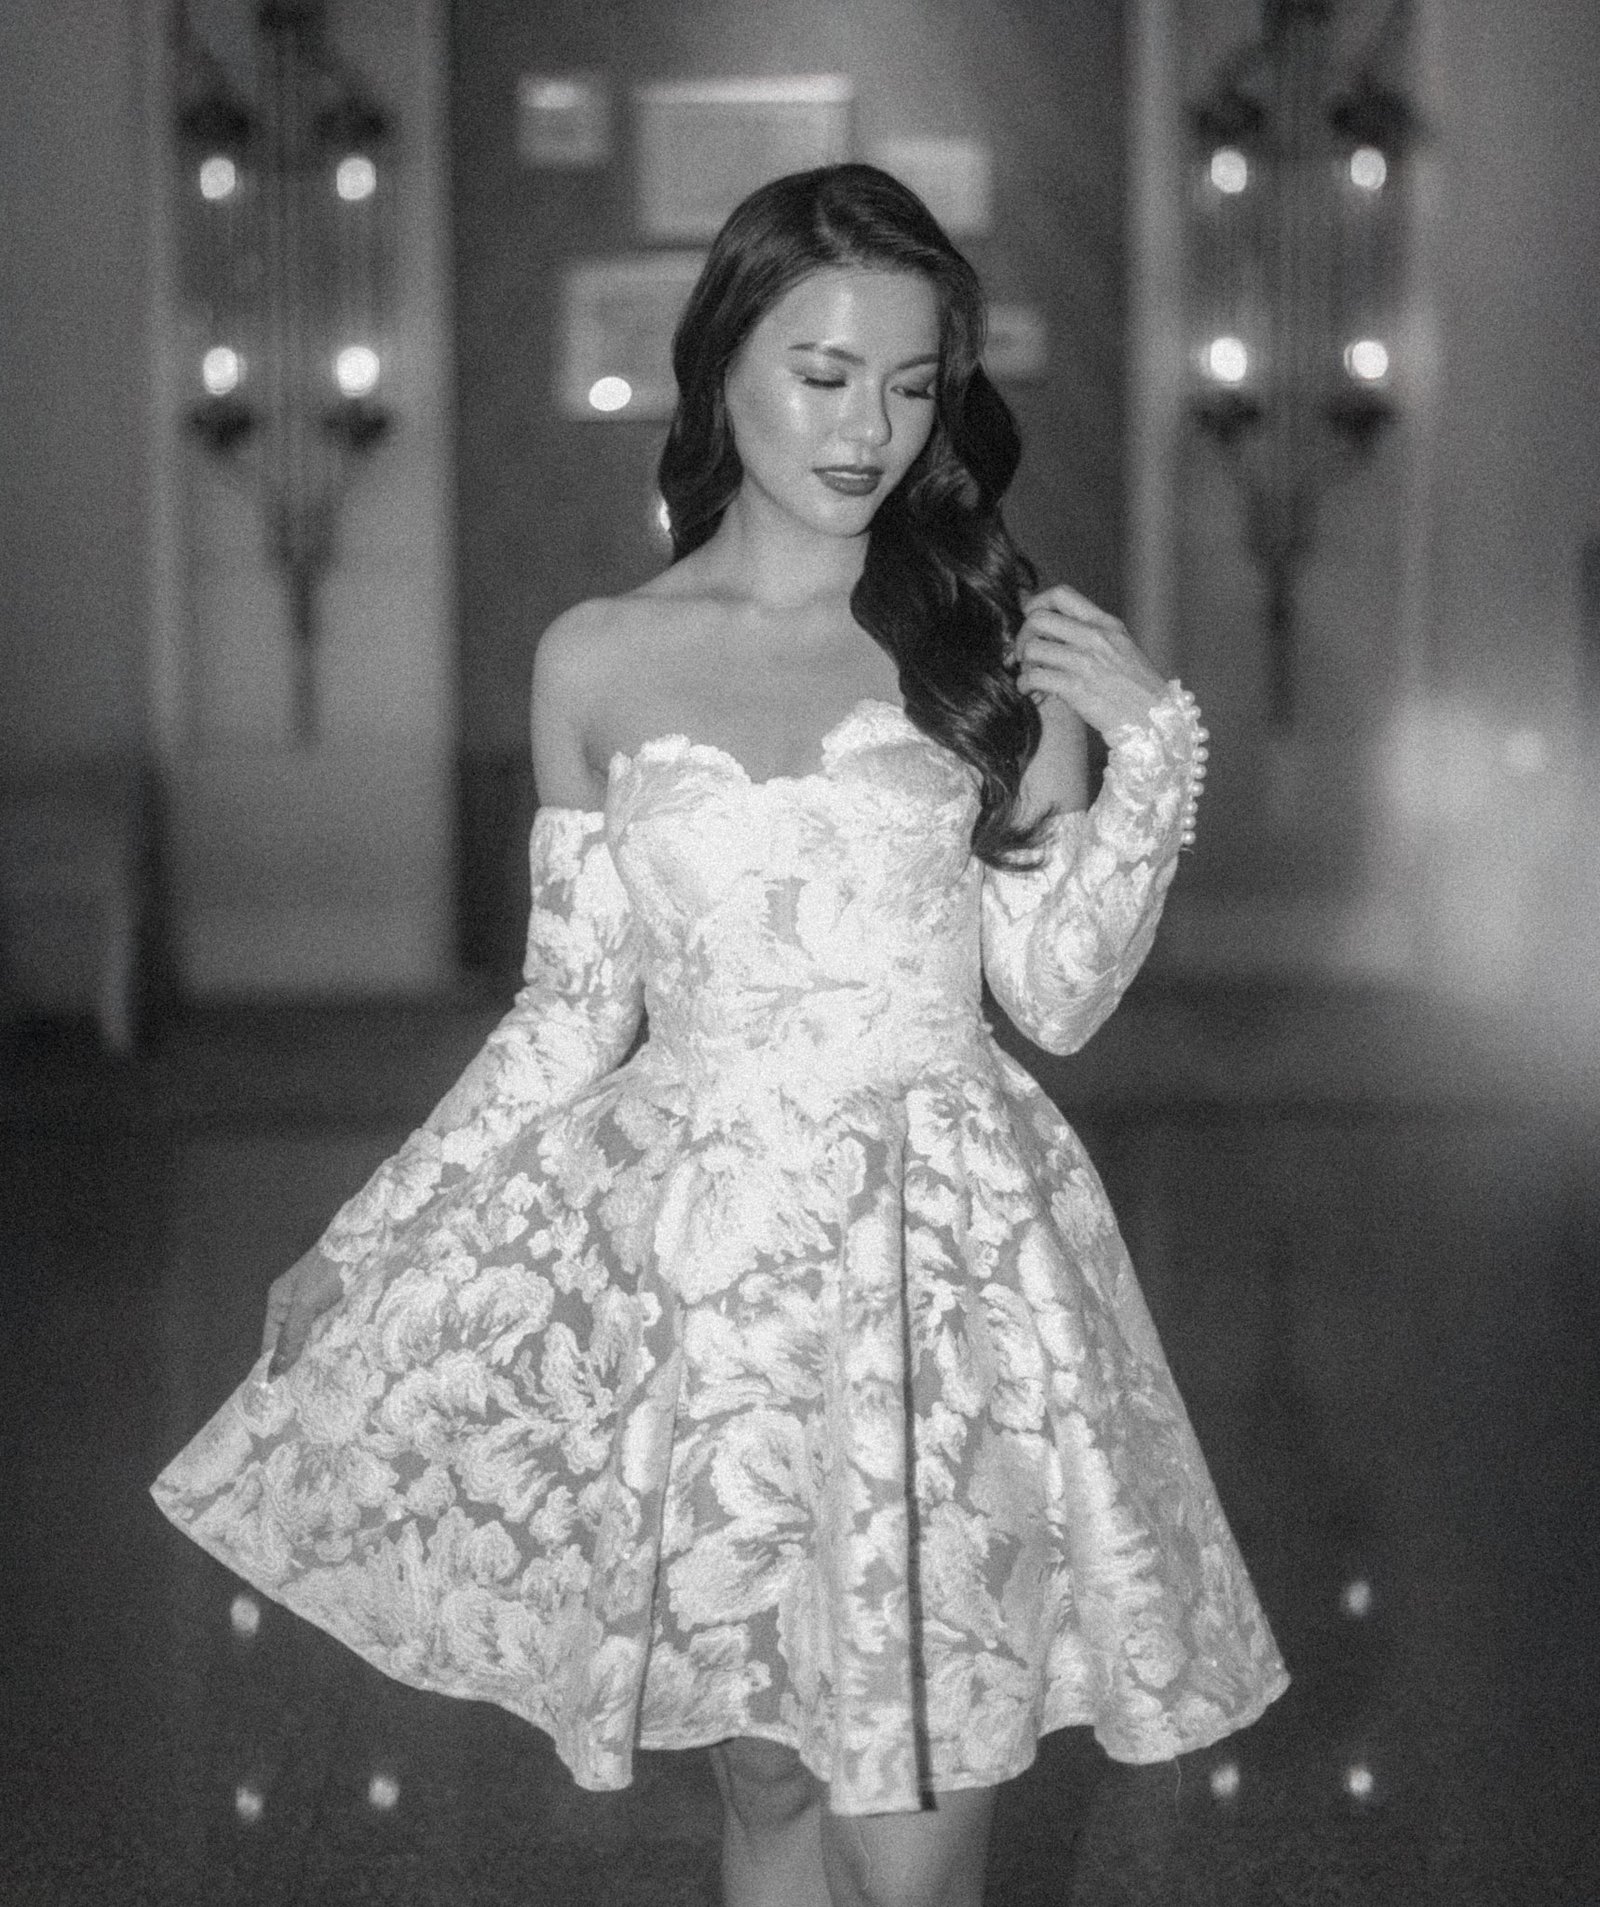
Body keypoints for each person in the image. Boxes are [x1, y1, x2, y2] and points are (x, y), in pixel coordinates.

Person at [152, 163, 1287, 1907]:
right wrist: (370, 1238)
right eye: (825, 374)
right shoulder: (597, 658)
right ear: (722, 366)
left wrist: (1151, 762)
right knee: (762, 1775)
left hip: (942, 1260)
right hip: (711, 1273)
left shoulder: (989, 643)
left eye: (911, 386)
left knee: (910, 1824)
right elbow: (568, 1014)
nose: (871, 429)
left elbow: (1056, 997)